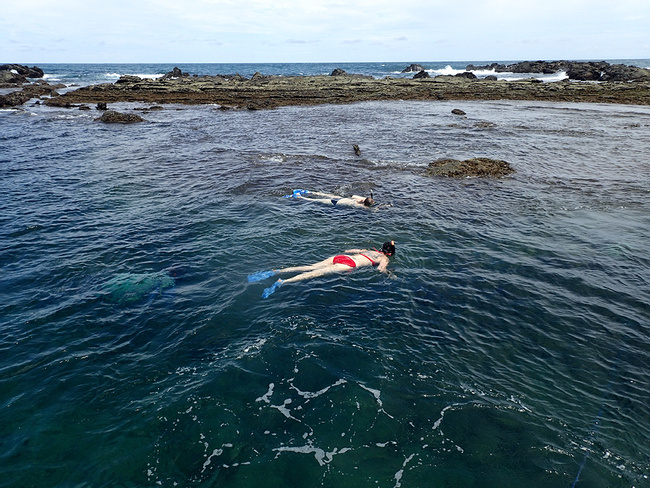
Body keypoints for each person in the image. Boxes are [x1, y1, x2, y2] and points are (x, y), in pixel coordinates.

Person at [248, 241, 396, 298]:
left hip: (341, 257)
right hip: (349, 265)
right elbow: (380, 270)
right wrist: (390, 275)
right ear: (389, 253)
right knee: (313, 274)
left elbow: (352, 249)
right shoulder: (384, 258)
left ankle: (275, 272)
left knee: (309, 267)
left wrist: (345, 250)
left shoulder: (369, 250)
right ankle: (282, 282)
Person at [285, 189, 375, 208]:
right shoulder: (362, 207)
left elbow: (353, 196)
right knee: (314, 200)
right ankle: (300, 197)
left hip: (342, 199)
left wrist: (364, 198)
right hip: (336, 203)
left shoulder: (358, 200)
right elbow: (372, 211)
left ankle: (310, 192)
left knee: (325, 194)